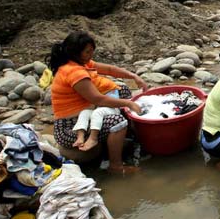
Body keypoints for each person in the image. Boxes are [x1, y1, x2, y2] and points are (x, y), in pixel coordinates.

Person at [48, 31, 147, 174]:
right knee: (117, 121)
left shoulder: (81, 62)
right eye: (88, 52)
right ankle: (116, 166)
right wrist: (129, 104)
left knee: (122, 90)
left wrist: (133, 76)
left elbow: (110, 69)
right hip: (70, 127)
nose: (91, 55)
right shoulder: (74, 72)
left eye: (92, 51)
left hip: (86, 113)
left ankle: (129, 137)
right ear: (75, 52)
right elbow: (97, 99)